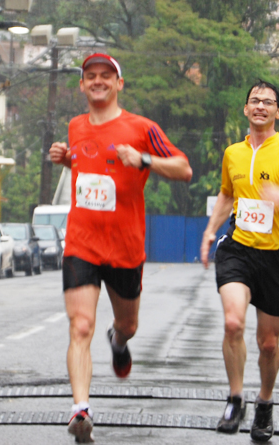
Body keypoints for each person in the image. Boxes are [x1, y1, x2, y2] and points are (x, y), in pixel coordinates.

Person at [49, 53, 192, 443]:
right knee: (80, 326)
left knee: (128, 324)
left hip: (125, 247)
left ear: (119, 84)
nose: (98, 81)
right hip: (81, 243)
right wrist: (66, 160)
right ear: (82, 85)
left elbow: (183, 168)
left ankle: (119, 340)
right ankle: (80, 409)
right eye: (90, 76)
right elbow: (91, 170)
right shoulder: (75, 127)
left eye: (106, 76)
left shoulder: (142, 128)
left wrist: (144, 159)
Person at [200, 79, 279, 442]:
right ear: (245, 109)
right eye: (254, 100)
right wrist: (210, 231)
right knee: (232, 323)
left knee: (268, 344)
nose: (260, 106)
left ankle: (265, 402)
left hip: (275, 256)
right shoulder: (232, 153)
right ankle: (235, 399)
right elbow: (227, 194)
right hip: (237, 249)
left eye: (268, 102)